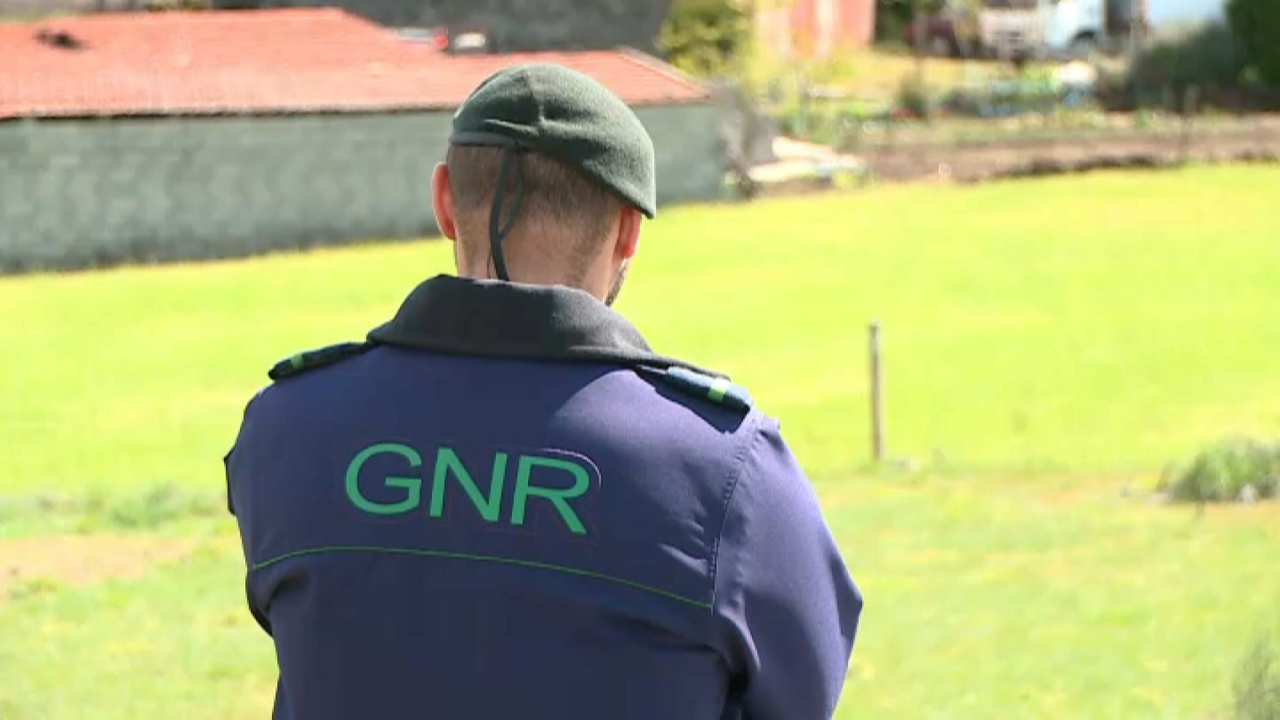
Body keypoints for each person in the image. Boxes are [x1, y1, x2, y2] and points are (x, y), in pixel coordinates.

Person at [224, 63, 862, 720]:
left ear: (444, 201)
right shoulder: (728, 470)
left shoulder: (286, 430)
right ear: (628, 231)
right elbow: (804, 695)